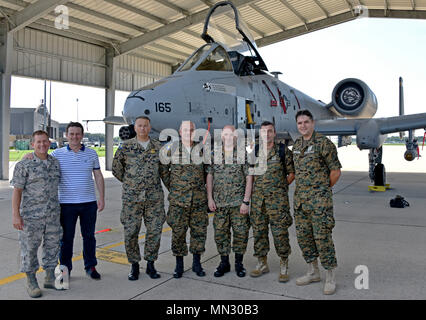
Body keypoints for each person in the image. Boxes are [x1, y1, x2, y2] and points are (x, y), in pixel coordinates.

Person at [112, 116, 168, 281]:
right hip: (132, 199)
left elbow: (164, 172)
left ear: (150, 127)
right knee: (130, 232)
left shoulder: (159, 147)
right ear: (135, 128)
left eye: (145, 126)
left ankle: (151, 264)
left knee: (155, 231)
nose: (143, 128)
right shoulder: (125, 147)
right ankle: (134, 265)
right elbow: (117, 169)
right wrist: (130, 183)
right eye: (140, 126)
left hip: (154, 198)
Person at [292, 110, 341, 295]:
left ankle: (330, 277)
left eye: (306, 122)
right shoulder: (296, 145)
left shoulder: (323, 143)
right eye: (299, 123)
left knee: (323, 239)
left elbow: (335, 171)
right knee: (305, 239)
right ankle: (313, 272)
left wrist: (322, 190)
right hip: (301, 203)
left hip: (319, 204)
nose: (303, 126)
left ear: (312, 123)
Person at [50, 122, 104, 279]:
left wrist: (101, 197)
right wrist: (29, 155)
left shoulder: (91, 154)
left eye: (78, 134)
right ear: (66, 135)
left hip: (88, 203)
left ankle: (90, 266)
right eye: (71, 134)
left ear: (82, 135)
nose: (74, 137)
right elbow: (43, 162)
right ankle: (65, 269)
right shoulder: (57, 154)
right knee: (66, 239)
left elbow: (98, 176)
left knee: (89, 236)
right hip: (66, 204)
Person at [11, 130, 62, 298]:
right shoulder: (23, 165)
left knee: (52, 246)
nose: (42, 145)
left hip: (53, 215)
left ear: (49, 143)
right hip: (31, 217)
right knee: (30, 249)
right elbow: (17, 191)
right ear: (32, 144)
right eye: (38, 142)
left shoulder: (55, 163)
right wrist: (16, 215)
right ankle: (31, 280)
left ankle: (49, 276)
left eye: (45, 141)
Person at [249, 121, 295, 282]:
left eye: (270, 131)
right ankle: (262, 263)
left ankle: (284, 264)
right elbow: (252, 174)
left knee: (280, 233)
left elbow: (291, 173)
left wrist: (280, 187)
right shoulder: (254, 152)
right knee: (259, 233)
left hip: (277, 202)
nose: (266, 135)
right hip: (258, 202)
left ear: (274, 133)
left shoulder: (283, 151)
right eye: (263, 132)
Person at [206, 125, 252, 277]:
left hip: (238, 204)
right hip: (219, 204)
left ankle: (239, 263)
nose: (228, 137)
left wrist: (246, 201)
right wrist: (210, 198)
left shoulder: (242, 154)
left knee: (241, 234)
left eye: (231, 134)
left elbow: (249, 177)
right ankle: (224, 263)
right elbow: (210, 176)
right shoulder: (214, 153)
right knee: (220, 234)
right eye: (225, 134)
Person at [165, 120, 209, 278]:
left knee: (199, 232)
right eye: (185, 129)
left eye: (191, 129)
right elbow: (163, 170)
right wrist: (175, 187)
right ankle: (179, 265)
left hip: (198, 200)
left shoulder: (202, 149)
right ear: (179, 131)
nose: (188, 132)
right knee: (178, 232)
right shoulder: (171, 148)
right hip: (178, 201)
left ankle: (197, 263)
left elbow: (207, 171)